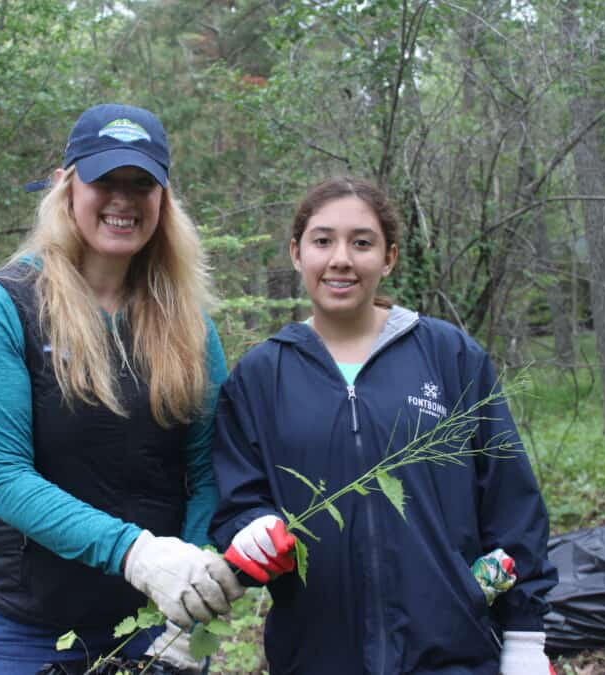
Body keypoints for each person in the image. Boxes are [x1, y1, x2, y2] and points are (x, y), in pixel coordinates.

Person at [209, 177, 558, 674]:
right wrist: (251, 528)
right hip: (315, 655)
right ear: (296, 252)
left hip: (452, 653)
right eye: (323, 240)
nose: (341, 259)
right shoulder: (261, 376)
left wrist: (525, 637)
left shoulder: (448, 355)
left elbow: (511, 501)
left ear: (389, 257)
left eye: (362, 242)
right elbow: (237, 500)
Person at [0, 103, 242, 674]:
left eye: (142, 183)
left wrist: (195, 589)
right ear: (66, 186)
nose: (123, 200)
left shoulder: (188, 323)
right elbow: (0, 475)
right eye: (105, 179)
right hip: (37, 625)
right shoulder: (2, 308)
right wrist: (137, 552)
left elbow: (208, 468)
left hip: (161, 620)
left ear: (164, 199)